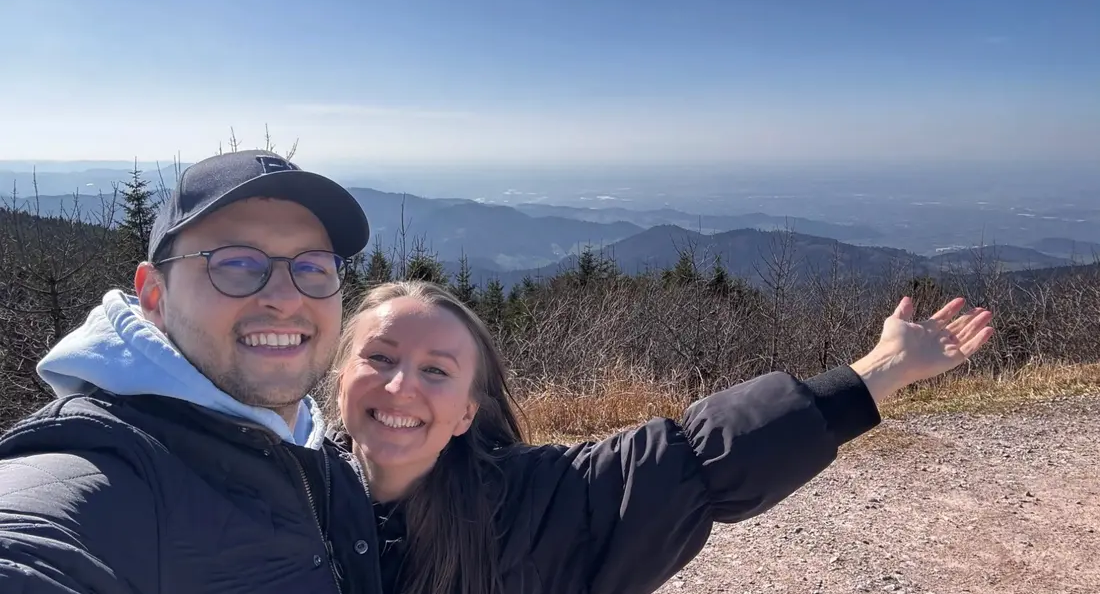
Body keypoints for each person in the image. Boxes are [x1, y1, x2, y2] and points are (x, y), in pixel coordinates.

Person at [327, 280, 995, 594]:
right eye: (379, 357)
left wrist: (882, 370)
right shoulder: (273, 493)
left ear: (468, 413)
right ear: (337, 380)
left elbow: (697, 461)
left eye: (436, 370)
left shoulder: (531, 503)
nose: (399, 386)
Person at [0, 150, 387, 593]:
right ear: (153, 296)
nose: (285, 298)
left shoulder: (326, 458)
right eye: (237, 263)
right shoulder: (109, 466)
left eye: (312, 267)